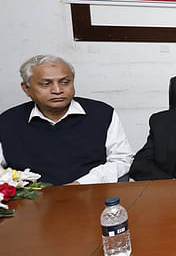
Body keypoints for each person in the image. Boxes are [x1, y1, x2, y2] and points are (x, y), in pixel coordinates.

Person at [0, 55, 133, 185]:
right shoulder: (7, 121)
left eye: (65, 82)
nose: (57, 90)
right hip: (30, 200)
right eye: (46, 84)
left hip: (91, 193)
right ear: (26, 88)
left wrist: (82, 183)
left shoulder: (101, 113)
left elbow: (122, 160)